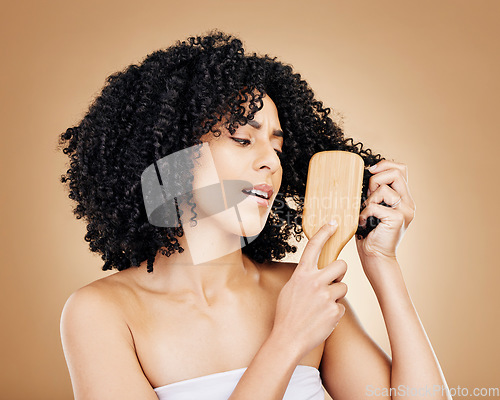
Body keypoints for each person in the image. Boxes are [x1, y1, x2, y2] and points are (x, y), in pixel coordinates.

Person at [58, 29, 451, 399]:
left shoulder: (304, 288)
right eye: (243, 139)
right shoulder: (101, 313)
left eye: (277, 149)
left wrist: (382, 262)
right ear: (171, 156)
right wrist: (288, 338)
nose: (270, 162)